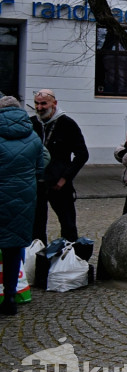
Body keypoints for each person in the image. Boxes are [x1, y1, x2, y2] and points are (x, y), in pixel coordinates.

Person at [0, 96, 47, 316]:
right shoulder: (33, 136)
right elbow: (41, 165)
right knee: (13, 247)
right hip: (23, 199)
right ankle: (10, 297)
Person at [32, 88, 88, 242]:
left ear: (54, 103)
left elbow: (82, 154)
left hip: (59, 184)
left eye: (44, 104)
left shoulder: (67, 124)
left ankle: (70, 252)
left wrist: (65, 178)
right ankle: (38, 254)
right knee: (36, 226)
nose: (39, 107)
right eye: (36, 103)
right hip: (36, 183)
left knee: (68, 224)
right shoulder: (32, 123)